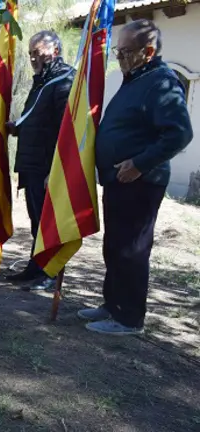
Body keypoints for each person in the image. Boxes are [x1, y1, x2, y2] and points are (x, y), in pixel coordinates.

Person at [79, 20, 193, 335]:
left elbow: (180, 134)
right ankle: (112, 305)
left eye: (126, 51)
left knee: (132, 248)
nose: (119, 57)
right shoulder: (135, 79)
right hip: (119, 180)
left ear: (149, 51)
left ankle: (129, 318)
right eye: (118, 50)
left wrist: (140, 163)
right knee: (114, 246)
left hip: (140, 182)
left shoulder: (162, 82)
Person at [5, 31, 74, 291]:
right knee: (37, 221)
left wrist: (56, 169)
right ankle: (35, 268)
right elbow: (39, 120)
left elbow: (64, 129)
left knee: (49, 223)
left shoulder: (65, 79)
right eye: (31, 53)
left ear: (54, 50)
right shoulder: (43, 80)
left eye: (38, 52)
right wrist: (19, 128)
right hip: (33, 163)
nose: (33, 57)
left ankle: (50, 273)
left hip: (48, 166)